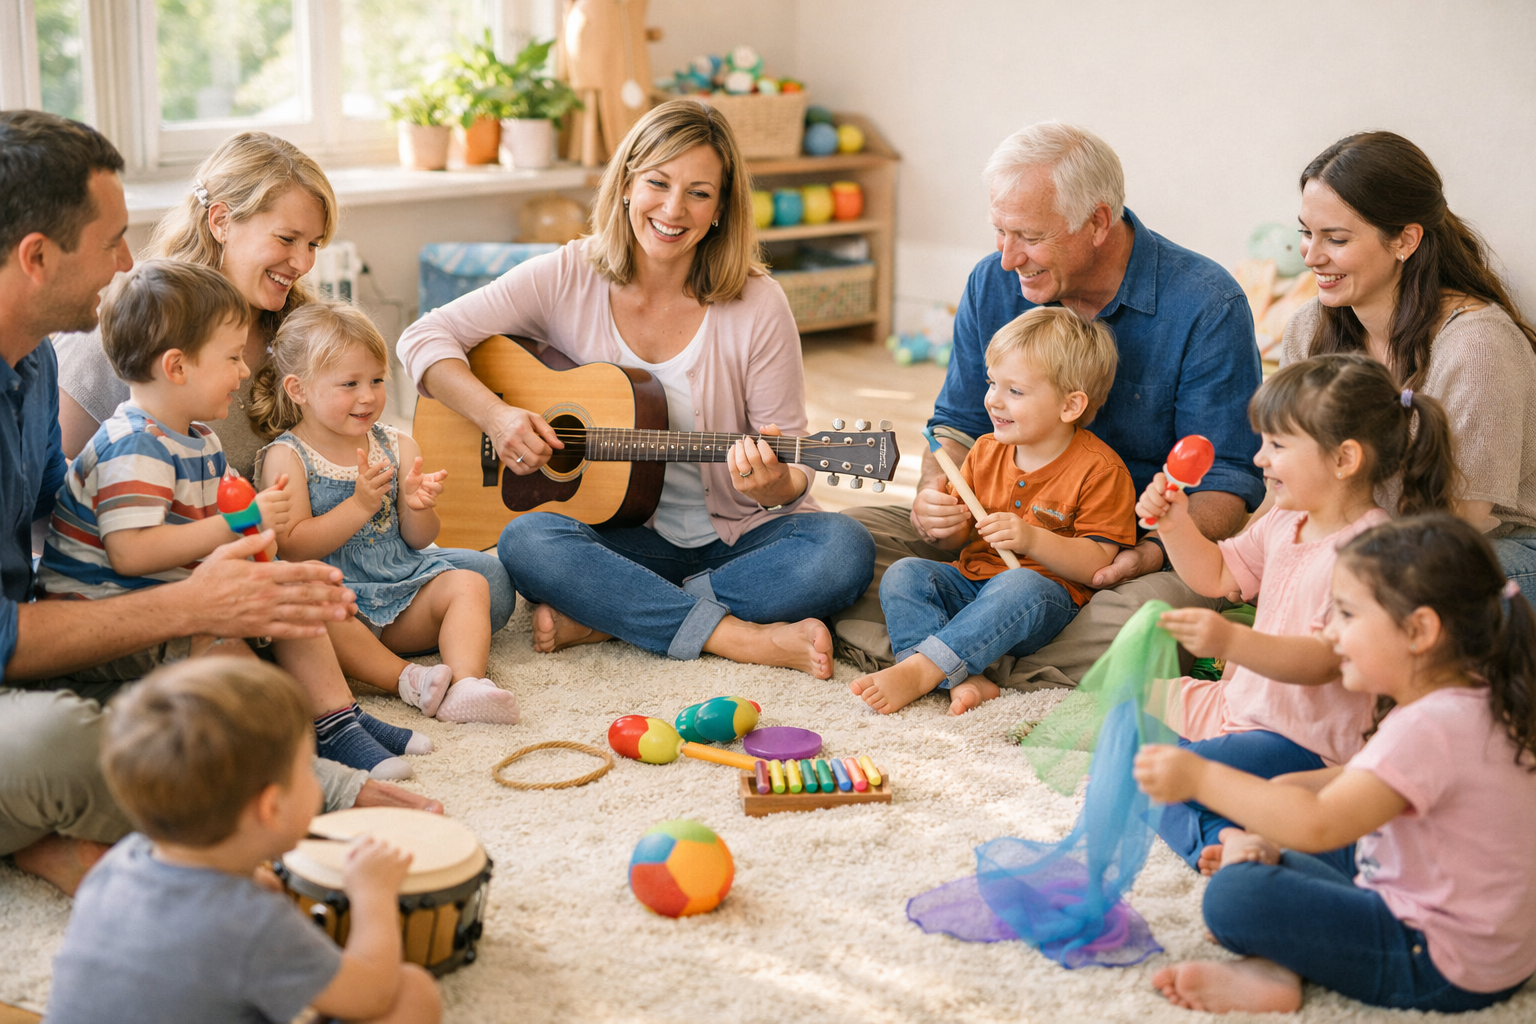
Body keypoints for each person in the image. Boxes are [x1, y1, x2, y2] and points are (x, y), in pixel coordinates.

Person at [0, 110, 426, 898]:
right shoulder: (111, 356)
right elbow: (48, 586)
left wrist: (220, 581)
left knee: (230, 683)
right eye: (110, 242)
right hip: (46, 641)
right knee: (62, 740)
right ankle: (295, 796)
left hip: (101, 614)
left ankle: (68, 838)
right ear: (35, 257)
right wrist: (194, 595)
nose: (127, 261)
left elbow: (72, 511)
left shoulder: (25, 372)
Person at [397, 99, 874, 677]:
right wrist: (497, 416)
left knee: (843, 549)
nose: (674, 209)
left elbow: (792, 476)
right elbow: (424, 337)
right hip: (622, 539)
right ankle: (739, 637)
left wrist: (773, 486)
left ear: (722, 208)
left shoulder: (758, 303)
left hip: (737, 541)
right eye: (658, 182)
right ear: (626, 183)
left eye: (700, 192)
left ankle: (613, 614)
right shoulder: (569, 273)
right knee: (526, 540)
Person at [50, 130, 515, 657]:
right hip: (193, 568)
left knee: (489, 581)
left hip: (316, 552)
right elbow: (62, 497)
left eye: (314, 245)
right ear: (221, 221)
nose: (303, 263)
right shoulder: (133, 328)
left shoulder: (299, 333)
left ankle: (337, 639)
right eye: (287, 239)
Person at [835, 122, 1265, 688]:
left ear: (1097, 223)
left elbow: (1227, 479)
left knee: (1159, 615)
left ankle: (938, 652)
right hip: (988, 538)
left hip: (1119, 555)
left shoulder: (1207, 304)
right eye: (1000, 232)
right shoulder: (992, 282)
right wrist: (932, 500)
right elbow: (957, 426)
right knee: (843, 545)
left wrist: (1152, 553)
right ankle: (995, 660)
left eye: (1030, 236)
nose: (1009, 257)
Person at [38, 261, 427, 779]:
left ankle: (339, 719)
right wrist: (237, 523)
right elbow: (131, 552)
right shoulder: (135, 445)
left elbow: (214, 530)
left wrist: (257, 543)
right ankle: (303, 755)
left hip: (162, 596)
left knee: (286, 589)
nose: (245, 372)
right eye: (231, 358)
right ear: (177, 367)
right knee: (234, 658)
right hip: (109, 622)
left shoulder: (198, 438)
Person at [1135, 515, 1536, 1015]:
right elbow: (1357, 777)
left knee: (1236, 897)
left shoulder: (1429, 724)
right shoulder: (1467, 696)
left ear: (1420, 630)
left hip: (1440, 961)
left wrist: (1199, 776)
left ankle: (1278, 965)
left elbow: (1319, 825)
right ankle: (1278, 965)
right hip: (1478, 932)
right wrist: (1275, 809)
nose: (1326, 629)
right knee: (1275, 842)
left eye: (1345, 614)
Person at [1137, 354, 1458, 873]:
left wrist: (1230, 642)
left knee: (1150, 776)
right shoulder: (1285, 523)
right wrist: (1175, 525)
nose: (1260, 459)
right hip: (1239, 712)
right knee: (1126, 720)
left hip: (1301, 743)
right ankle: (1239, 824)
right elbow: (1217, 575)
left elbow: (1325, 661)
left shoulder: (1372, 553)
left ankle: (1226, 841)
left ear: (1343, 459)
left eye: (1278, 446)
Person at [46, 658, 441, 1024]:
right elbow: (370, 992)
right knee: (411, 993)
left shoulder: (117, 863)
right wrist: (373, 893)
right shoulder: (255, 924)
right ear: (270, 807)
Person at [1280, 131, 1536, 599]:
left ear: (1406, 240)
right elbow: (1287, 480)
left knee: (1377, 589)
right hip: (1367, 544)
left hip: (1488, 553)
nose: (1311, 256)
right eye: (1305, 232)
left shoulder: (1479, 346)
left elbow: (1456, 524)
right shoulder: (1307, 328)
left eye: (1335, 239)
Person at [852, 306, 1134, 715]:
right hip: (971, 586)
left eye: (1014, 391)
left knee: (1021, 586)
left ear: (1070, 406)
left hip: (1041, 604)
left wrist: (1032, 538)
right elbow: (955, 542)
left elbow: (1098, 564)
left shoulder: (1100, 470)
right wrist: (943, 523)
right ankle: (961, 676)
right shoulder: (985, 451)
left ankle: (920, 669)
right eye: (991, 383)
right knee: (905, 574)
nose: (993, 400)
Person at [256, 301, 520, 723]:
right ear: (298, 390)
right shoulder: (288, 457)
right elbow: (291, 548)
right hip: (344, 605)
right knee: (313, 609)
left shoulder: (396, 444)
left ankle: (466, 686)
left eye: (377, 379)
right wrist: (359, 506)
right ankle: (407, 679)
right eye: (349, 384)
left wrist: (419, 507)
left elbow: (418, 540)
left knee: (471, 582)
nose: (368, 396)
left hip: (403, 590)